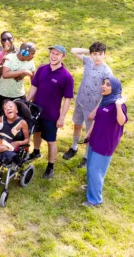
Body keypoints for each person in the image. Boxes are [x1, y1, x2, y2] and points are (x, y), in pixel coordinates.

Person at [27, 45, 74, 179]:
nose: (54, 56)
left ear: (63, 57)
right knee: (35, 132)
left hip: (51, 115)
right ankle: (36, 152)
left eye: (57, 54)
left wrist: (62, 117)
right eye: (52, 53)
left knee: (50, 141)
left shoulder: (67, 77)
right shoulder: (42, 69)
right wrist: (26, 102)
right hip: (36, 110)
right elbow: (34, 87)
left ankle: (50, 167)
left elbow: (68, 99)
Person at [63, 42, 112, 168]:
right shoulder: (89, 61)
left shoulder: (107, 72)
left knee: (89, 133)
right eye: (95, 54)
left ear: (104, 55)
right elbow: (74, 50)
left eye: (100, 54)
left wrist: (95, 110)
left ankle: (86, 156)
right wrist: (89, 51)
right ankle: (74, 147)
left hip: (93, 107)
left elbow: (106, 94)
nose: (97, 57)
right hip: (81, 101)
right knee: (77, 125)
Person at [82, 77, 128, 207]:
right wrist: (88, 134)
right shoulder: (104, 101)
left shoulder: (118, 104)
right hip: (95, 137)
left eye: (108, 85)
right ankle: (92, 187)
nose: (104, 86)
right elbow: (96, 119)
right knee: (91, 164)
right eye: (103, 83)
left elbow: (121, 121)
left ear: (115, 88)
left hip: (106, 142)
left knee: (95, 169)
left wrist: (118, 106)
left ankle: (95, 200)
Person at [0, 42, 36, 113]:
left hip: (19, 94)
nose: (33, 56)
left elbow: (34, 81)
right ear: (24, 53)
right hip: (4, 94)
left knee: (20, 118)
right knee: (3, 117)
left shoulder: (31, 61)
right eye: (32, 54)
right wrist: (23, 71)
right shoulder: (10, 57)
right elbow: (5, 74)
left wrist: (33, 98)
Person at [0, 31, 18, 116]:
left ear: (13, 39)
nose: (7, 41)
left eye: (9, 38)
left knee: (14, 104)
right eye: (4, 39)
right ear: (1, 41)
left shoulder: (19, 51)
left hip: (13, 83)